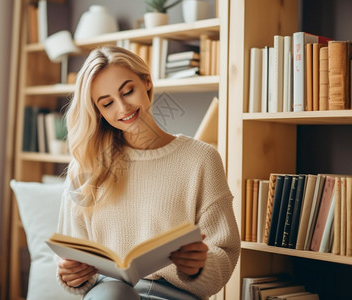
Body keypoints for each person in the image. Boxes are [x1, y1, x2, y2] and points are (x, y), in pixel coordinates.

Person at [56, 45, 240, 300]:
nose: (122, 108)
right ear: (98, 112)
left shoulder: (201, 159)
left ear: (147, 82)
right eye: (107, 103)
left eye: (128, 91)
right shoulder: (86, 166)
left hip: (176, 295)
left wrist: (199, 266)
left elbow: (225, 252)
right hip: (111, 293)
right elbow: (71, 255)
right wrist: (72, 276)